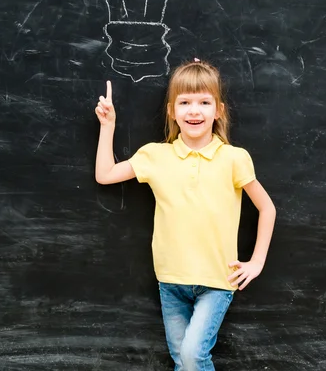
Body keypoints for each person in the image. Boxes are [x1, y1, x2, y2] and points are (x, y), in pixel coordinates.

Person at [95, 59, 276, 371]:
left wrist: (256, 262)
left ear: (218, 110)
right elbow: (105, 174)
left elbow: (267, 207)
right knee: (183, 361)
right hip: (170, 280)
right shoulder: (155, 156)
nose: (194, 111)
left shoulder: (234, 158)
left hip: (217, 280)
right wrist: (108, 126)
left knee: (193, 357)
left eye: (204, 102)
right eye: (185, 102)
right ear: (171, 111)